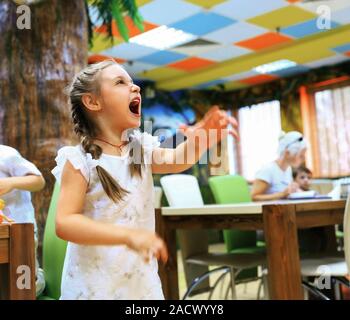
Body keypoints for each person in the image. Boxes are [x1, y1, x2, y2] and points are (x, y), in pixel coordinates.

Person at [52, 60, 238, 300]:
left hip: (140, 282)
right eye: (120, 82)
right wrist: (127, 236)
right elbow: (65, 222)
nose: (135, 87)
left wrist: (200, 139)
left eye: (133, 82)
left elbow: (176, 159)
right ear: (92, 101)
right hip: (94, 287)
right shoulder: (79, 160)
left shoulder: (139, 148)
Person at [0, 145, 46, 296]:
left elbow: (38, 181)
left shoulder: (6, 153)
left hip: (20, 229)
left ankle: (36, 279)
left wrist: (11, 182)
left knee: (23, 282)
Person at [251, 131, 306, 201]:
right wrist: (282, 194)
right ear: (287, 153)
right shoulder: (268, 170)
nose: (303, 159)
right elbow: (254, 197)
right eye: (301, 155)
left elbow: (286, 193)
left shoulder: (288, 169)